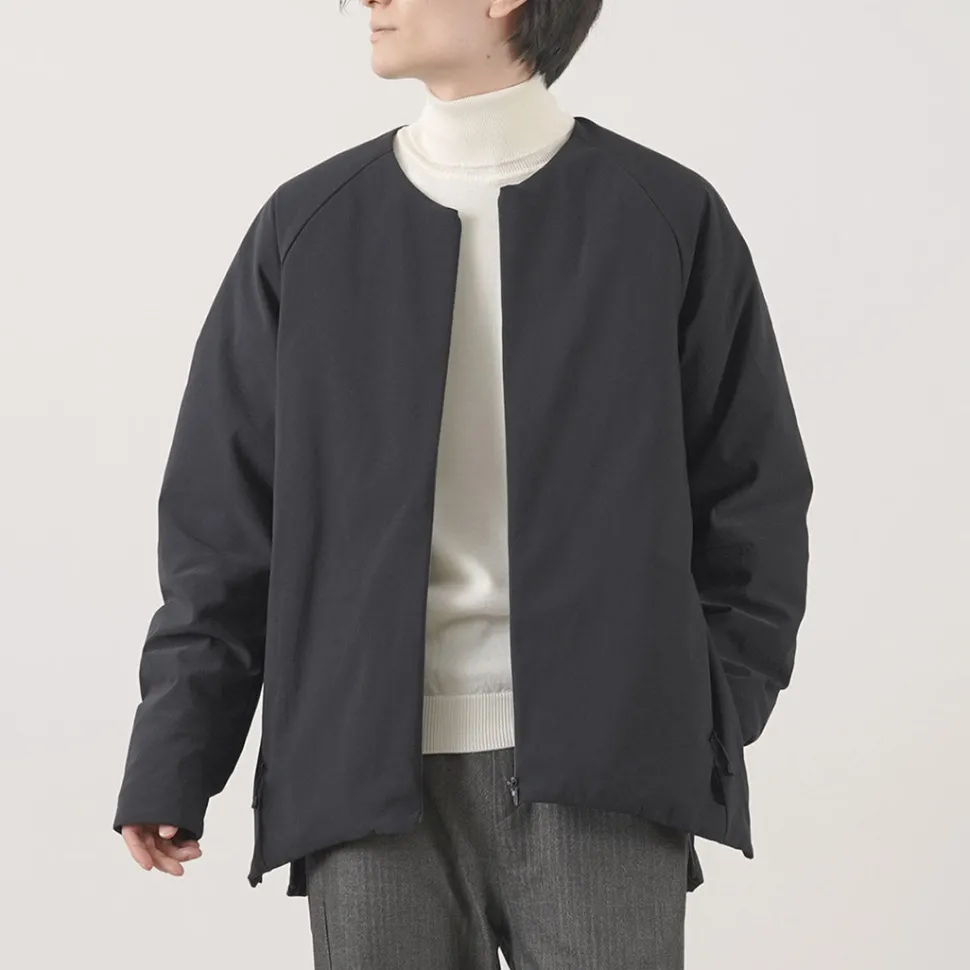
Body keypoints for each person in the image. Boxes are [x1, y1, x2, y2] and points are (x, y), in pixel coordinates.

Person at [113, 1, 813, 967]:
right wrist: (176, 750)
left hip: (609, 769)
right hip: (360, 770)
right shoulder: (308, 228)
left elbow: (753, 496)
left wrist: (697, 715)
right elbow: (224, 521)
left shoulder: (663, 215)